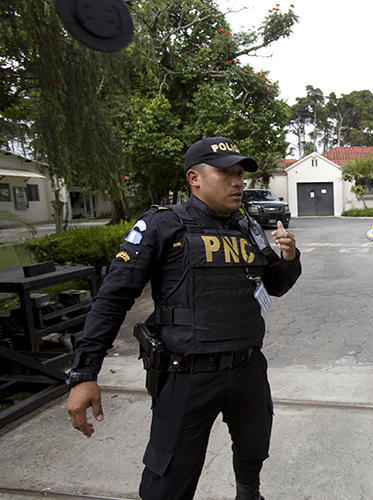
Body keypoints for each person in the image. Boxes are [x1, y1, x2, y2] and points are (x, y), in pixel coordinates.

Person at [65, 137, 302, 500]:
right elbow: (113, 299)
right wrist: (84, 373)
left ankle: (248, 493)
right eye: (226, 173)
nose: (237, 181)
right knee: (168, 482)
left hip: (247, 370)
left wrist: (289, 257)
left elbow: (276, 286)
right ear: (195, 178)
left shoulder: (247, 228)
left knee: (253, 450)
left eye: (239, 173)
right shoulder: (162, 226)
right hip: (187, 374)